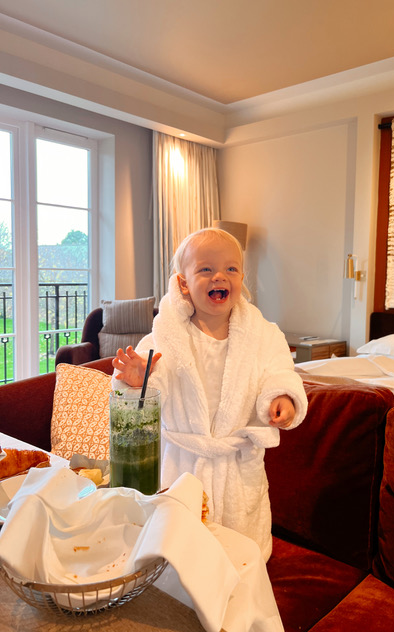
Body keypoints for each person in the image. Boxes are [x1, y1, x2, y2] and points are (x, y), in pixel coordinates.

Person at [112, 227, 308, 560]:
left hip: (237, 473)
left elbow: (280, 372)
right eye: (206, 269)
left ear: (241, 277)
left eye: (231, 269)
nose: (220, 276)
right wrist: (134, 381)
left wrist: (283, 398)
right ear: (183, 283)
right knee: (179, 560)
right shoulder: (166, 336)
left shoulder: (264, 335)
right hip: (181, 468)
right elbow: (148, 391)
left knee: (240, 560)